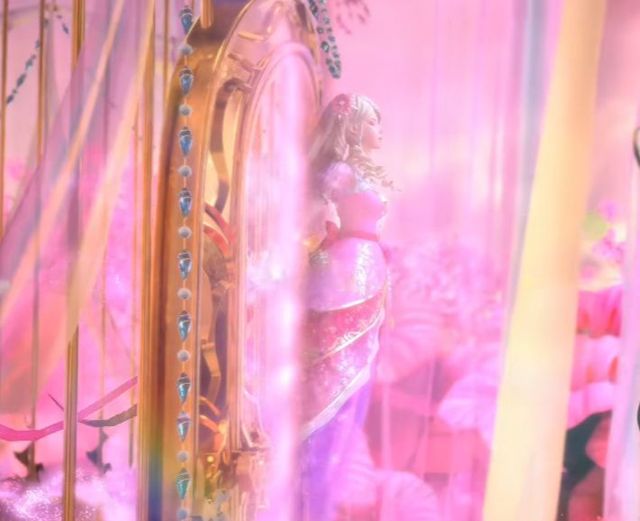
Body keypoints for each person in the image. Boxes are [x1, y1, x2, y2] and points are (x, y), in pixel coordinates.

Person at [299, 93, 390, 520]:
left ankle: (323, 501)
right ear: (352, 127)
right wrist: (318, 255)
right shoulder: (341, 173)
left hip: (364, 271)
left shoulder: (358, 171)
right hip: (346, 275)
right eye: (371, 123)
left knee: (353, 377)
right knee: (335, 379)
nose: (379, 131)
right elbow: (310, 216)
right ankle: (310, 500)